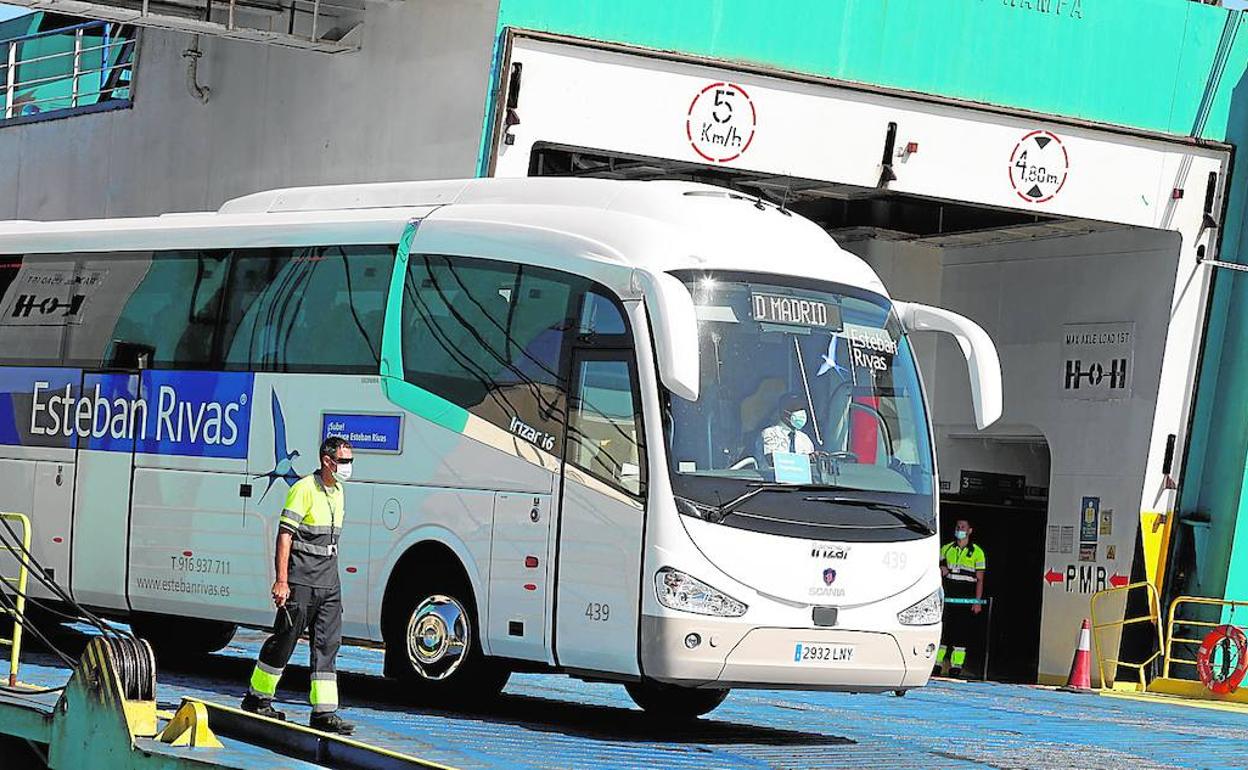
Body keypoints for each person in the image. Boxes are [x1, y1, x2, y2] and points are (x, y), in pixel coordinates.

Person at [242, 436, 355, 735]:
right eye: (343, 460)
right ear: (327, 461)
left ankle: (324, 712)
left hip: (329, 583)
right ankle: (257, 697)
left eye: (349, 460)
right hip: (301, 580)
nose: (348, 466)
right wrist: (282, 580)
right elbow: (284, 536)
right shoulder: (302, 489)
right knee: (285, 639)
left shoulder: (339, 492)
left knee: (328, 645)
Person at [936, 519, 986, 678]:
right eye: (957, 527)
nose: (959, 529)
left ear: (970, 530)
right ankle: (937, 663)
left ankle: (956, 666)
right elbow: (934, 567)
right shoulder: (946, 549)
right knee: (943, 632)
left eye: (963, 527)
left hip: (966, 598)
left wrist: (977, 601)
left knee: (961, 634)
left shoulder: (977, 552)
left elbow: (980, 579)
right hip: (947, 596)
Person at [760, 394, 814, 462]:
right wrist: (805, 459)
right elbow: (773, 460)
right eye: (796, 409)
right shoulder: (769, 433)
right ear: (784, 412)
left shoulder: (805, 439)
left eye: (802, 409)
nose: (801, 413)